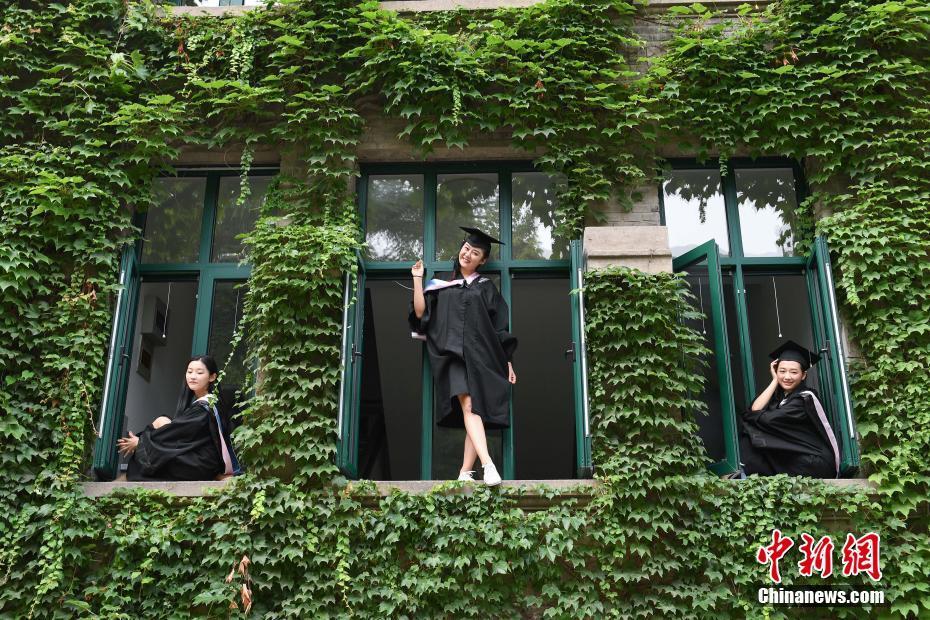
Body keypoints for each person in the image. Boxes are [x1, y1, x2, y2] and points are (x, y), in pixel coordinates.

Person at [409, 226, 518, 486]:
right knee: (469, 404)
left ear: (483, 260)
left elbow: (500, 327)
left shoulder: (486, 288)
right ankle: (488, 464)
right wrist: (417, 279)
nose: (467, 254)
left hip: (482, 356)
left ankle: (465, 472)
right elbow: (421, 313)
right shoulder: (442, 284)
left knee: (474, 409)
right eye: (466, 248)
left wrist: (508, 361)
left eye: (475, 252)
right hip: (452, 356)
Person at [117, 355, 243, 481]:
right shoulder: (208, 403)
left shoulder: (204, 408)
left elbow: (175, 434)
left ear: (212, 377)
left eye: (199, 373)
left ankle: (216, 475)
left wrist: (140, 443)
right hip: (204, 460)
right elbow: (178, 434)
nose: (193, 376)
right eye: (189, 372)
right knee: (162, 421)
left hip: (201, 464)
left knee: (154, 455)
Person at [737, 340, 840, 478]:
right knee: (749, 435)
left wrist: (749, 417)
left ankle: (745, 476)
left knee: (751, 430)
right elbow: (755, 410)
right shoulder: (777, 399)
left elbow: (768, 420)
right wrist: (774, 381)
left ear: (803, 375)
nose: (787, 377)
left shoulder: (805, 399)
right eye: (782, 371)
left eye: (794, 372)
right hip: (796, 460)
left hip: (815, 462)